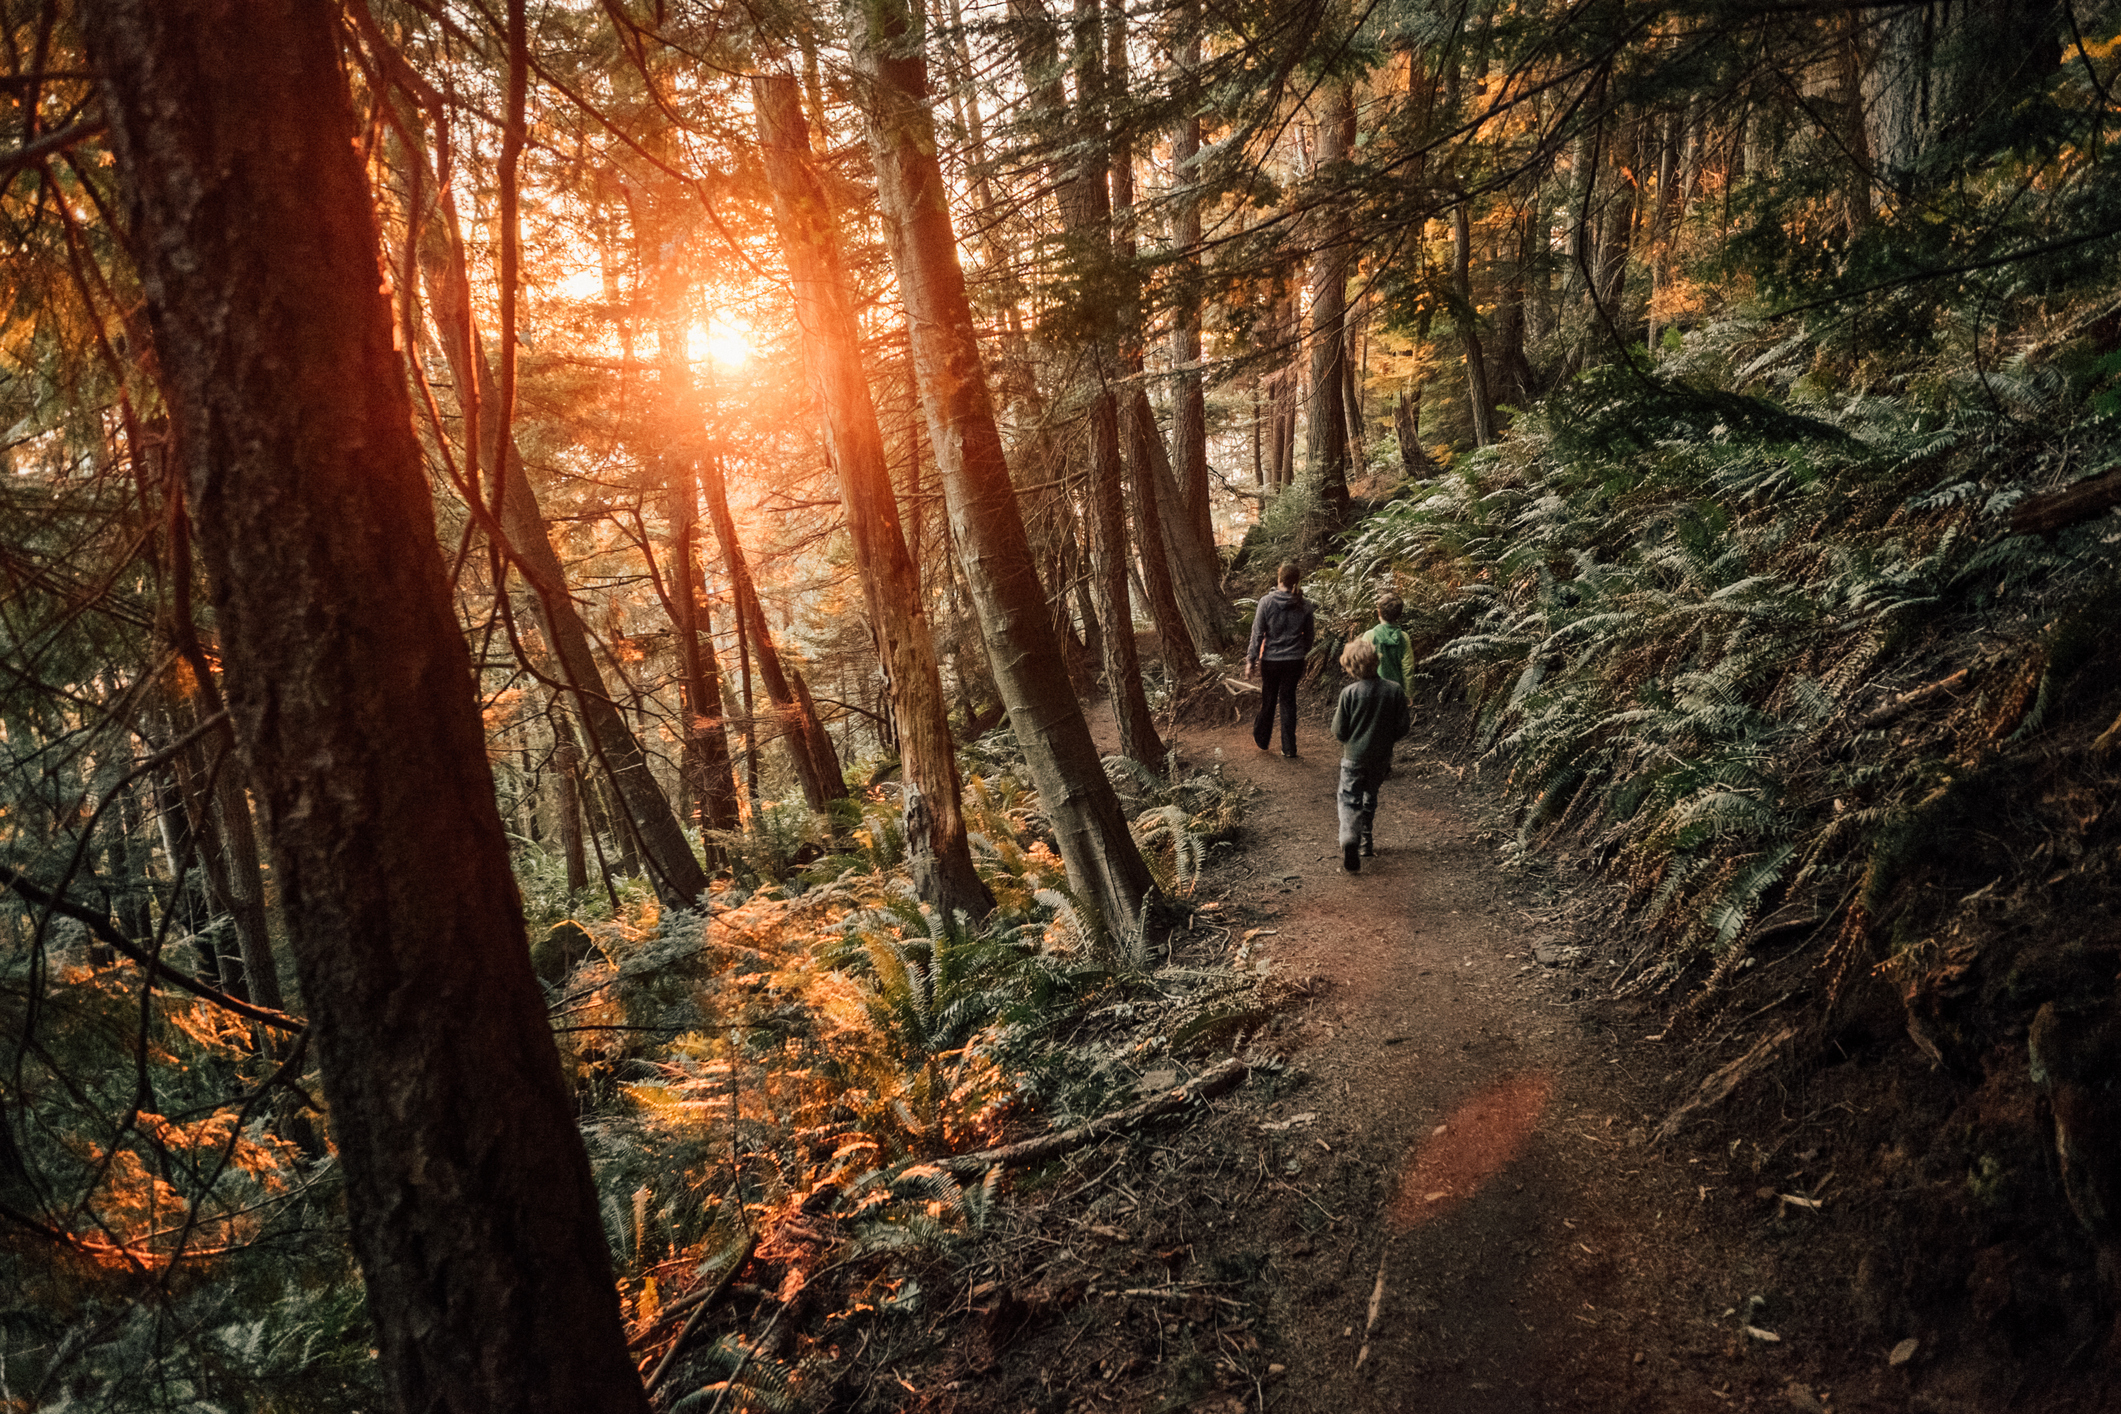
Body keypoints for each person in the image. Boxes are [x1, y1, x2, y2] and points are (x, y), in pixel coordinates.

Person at [1330, 636, 1411, 873]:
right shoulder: (1394, 690)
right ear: (1376, 661)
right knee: (1369, 797)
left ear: (1350, 667)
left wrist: (1351, 740)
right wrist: (1386, 741)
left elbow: (1339, 730)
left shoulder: (1349, 693)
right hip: (1381, 759)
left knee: (1348, 798)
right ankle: (1366, 844)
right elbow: (1403, 726)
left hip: (1354, 757)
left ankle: (1349, 839)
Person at [1245, 561, 1316, 758]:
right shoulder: (1304, 605)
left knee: (1269, 698)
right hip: (1294, 661)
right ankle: (1289, 747)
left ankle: (1262, 738)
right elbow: (1309, 636)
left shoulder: (1266, 603)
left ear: (1279, 579)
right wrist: (1301, 652)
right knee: (1288, 701)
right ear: (1296, 581)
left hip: (1271, 661)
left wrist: (1251, 660)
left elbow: (1257, 634)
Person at [1367, 592, 1409, 691]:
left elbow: (1363, 666)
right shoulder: (1404, 637)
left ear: (1379, 613)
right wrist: (1408, 694)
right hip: (1397, 691)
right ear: (1399, 614)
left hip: (1374, 690)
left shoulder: (1370, 636)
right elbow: (1408, 668)